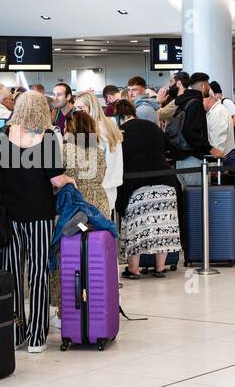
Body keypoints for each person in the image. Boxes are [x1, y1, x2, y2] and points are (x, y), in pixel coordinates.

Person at [0, 91, 73, 353]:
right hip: (39, 214)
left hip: (9, 213)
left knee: (11, 274)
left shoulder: (3, 134)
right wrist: (70, 181)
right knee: (38, 272)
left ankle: (15, 333)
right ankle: (37, 337)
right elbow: (56, 180)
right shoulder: (46, 138)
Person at [113, 99, 180, 278]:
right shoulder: (152, 127)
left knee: (135, 229)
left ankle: (134, 270)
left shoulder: (120, 132)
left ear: (118, 118)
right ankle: (160, 268)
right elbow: (171, 149)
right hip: (165, 183)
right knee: (163, 226)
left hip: (137, 187)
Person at [74, 89, 123, 211]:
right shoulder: (110, 125)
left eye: (81, 108)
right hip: (110, 187)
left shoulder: (91, 130)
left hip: (94, 190)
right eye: (75, 110)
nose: (77, 113)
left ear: (91, 107)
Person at [204, 79, 235, 157]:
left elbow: (218, 145)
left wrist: (214, 163)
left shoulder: (218, 112)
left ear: (209, 98)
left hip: (221, 161)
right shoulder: (213, 112)